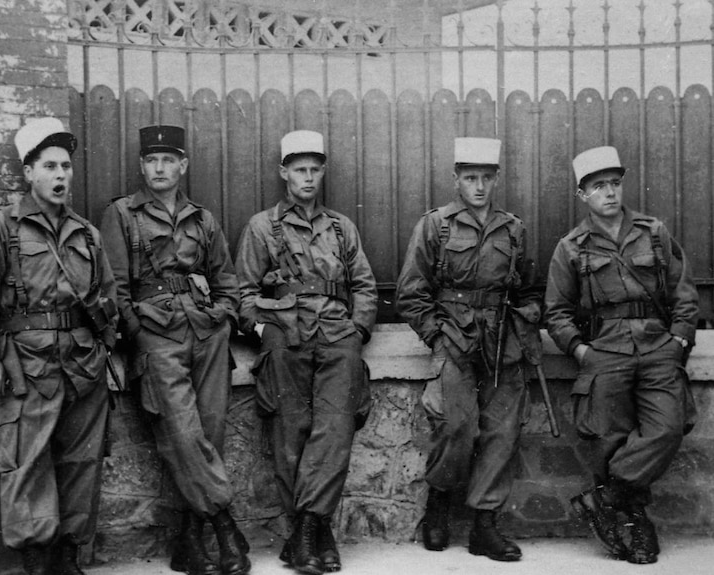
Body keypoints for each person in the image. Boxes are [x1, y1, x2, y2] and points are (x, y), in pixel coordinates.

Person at [0, 117, 117, 575]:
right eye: (49, 166)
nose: (61, 176)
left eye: (66, 166)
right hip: (24, 365)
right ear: (29, 172)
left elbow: (106, 296)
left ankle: (68, 556)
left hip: (83, 363)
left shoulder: (86, 234)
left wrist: (108, 353)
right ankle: (36, 560)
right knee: (26, 462)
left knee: (80, 462)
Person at [99, 125, 249, 575]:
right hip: (156, 335)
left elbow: (226, 278)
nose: (159, 168)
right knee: (182, 434)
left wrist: (223, 314)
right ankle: (225, 525)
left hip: (207, 333)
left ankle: (189, 543)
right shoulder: (122, 215)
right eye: (151, 160)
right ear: (142, 166)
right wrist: (137, 331)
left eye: (168, 160)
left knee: (211, 434)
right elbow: (115, 288)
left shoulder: (202, 219)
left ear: (182, 165)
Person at [544, 146, 698, 565]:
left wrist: (679, 341)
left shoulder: (653, 232)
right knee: (608, 440)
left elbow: (683, 294)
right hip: (605, 350)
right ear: (583, 195)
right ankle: (633, 523)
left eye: (614, 183)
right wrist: (580, 350)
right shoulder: (571, 247)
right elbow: (556, 311)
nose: (609, 193)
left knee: (667, 428)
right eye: (598, 186)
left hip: (656, 346)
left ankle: (607, 497)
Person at [235, 130, 378, 575]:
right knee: (290, 430)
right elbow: (242, 293)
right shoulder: (263, 226)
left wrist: (357, 329)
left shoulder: (341, 227)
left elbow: (365, 286)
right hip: (284, 334)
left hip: (337, 335)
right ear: (284, 173)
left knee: (335, 428)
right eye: (300, 169)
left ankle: (307, 530)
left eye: (316, 169)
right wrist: (262, 328)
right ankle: (315, 533)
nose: (309, 177)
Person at [395, 137, 542, 562]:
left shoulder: (513, 229)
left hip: (504, 342)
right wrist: (436, 335)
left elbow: (530, 289)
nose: (478, 186)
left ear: (496, 179)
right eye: (470, 177)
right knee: (456, 427)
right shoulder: (435, 226)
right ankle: (438, 503)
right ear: (456, 178)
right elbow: (410, 292)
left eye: (486, 178)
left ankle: (484, 524)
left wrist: (527, 318)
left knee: (502, 430)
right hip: (454, 339)